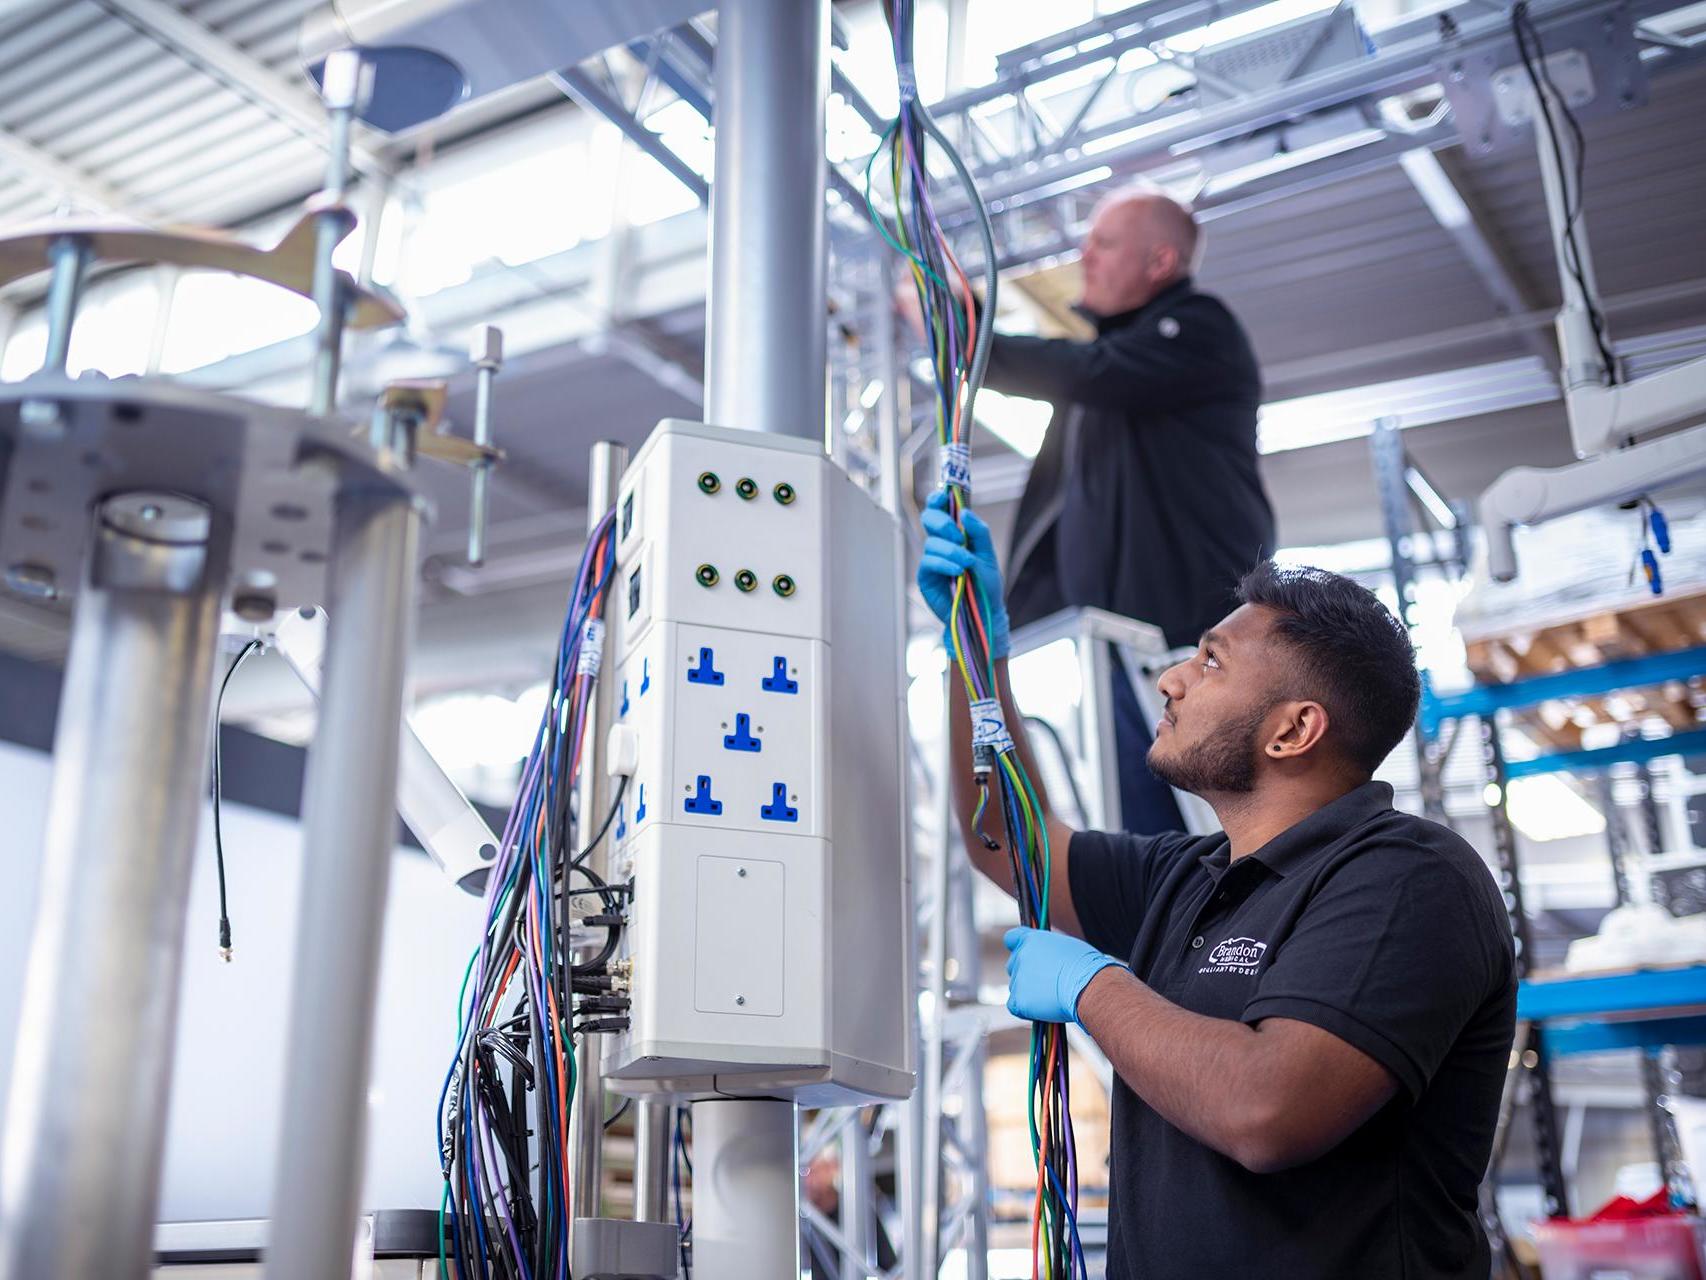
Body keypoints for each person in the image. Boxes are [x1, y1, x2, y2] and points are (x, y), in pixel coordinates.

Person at [917, 502, 1516, 1279]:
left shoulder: (1409, 877)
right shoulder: (1186, 878)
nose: (1172, 680)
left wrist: (1096, 988)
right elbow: (1009, 839)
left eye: (1209, 662)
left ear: (1293, 731)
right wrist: (974, 656)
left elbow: (1267, 1109)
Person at [910, 187, 1273, 833]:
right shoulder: (1100, 388)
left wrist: (968, 334)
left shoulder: (1193, 330)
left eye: (1103, 243)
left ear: (1159, 261)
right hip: (1114, 645)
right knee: (1143, 824)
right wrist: (998, 628)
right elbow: (1052, 517)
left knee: (1202, 824)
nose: (1085, 257)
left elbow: (1082, 369)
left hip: (1187, 639)